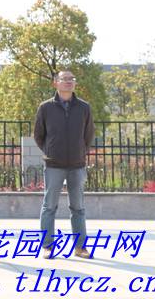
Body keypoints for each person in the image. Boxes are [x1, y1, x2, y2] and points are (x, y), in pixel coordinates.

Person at [34, 70, 95, 259]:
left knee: (78, 207)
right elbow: (39, 135)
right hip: (54, 165)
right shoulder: (45, 107)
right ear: (56, 83)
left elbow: (88, 135)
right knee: (49, 206)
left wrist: (80, 151)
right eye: (64, 79)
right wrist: (50, 151)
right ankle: (47, 246)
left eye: (71, 79)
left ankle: (80, 247)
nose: (68, 82)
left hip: (77, 164)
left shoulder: (84, 107)